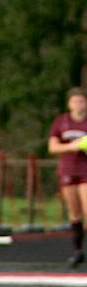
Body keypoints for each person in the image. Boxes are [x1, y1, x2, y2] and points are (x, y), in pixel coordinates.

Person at [47, 87, 87, 268]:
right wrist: (72, 146)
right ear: (69, 104)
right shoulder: (61, 122)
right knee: (74, 214)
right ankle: (78, 251)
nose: (78, 105)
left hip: (85, 171)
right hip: (68, 171)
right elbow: (53, 147)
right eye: (75, 101)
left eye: (81, 101)